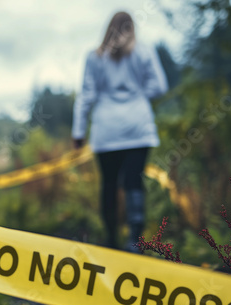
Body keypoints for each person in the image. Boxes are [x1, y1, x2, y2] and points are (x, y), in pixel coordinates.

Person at [71, 11, 168, 252]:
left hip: (107, 131)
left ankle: (111, 239)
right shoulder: (144, 52)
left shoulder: (94, 58)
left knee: (109, 183)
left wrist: (78, 131)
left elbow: (86, 96)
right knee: (134, 180)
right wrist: (137, 95)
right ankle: (135, 239)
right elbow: (160, 87)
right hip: (138, 127)